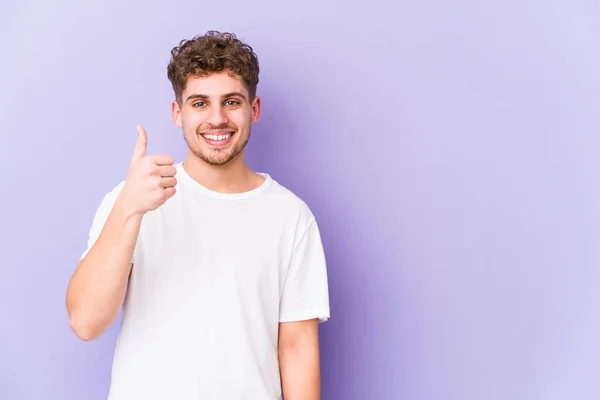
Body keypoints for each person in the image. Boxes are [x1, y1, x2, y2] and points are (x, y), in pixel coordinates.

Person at [65, 30, 330, 400]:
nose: (217, 119)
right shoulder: (132, 199)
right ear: (178, 113)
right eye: (200, 103)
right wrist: (128, 210)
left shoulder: (291, 216)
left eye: (232, 102)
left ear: (254, 109)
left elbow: (297, 348)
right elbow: (85, 322)